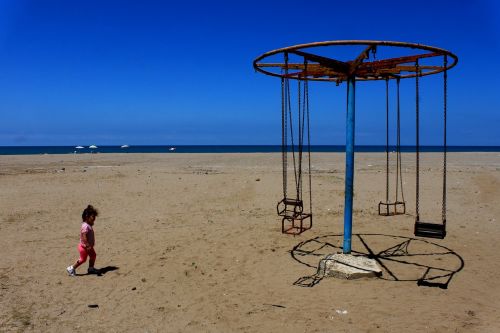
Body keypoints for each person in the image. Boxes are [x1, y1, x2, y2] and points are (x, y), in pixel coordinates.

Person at [67, 205, 99, 276]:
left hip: (88, 247)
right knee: (83, 259)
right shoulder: (85, 226)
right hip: (84, 247)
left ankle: (91, 268)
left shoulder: (88, 224)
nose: (94, 219)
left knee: (93, 255)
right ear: (87, 217)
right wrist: (87, 245)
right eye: (93, 217)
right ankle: (71, 268)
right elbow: (84, 236)